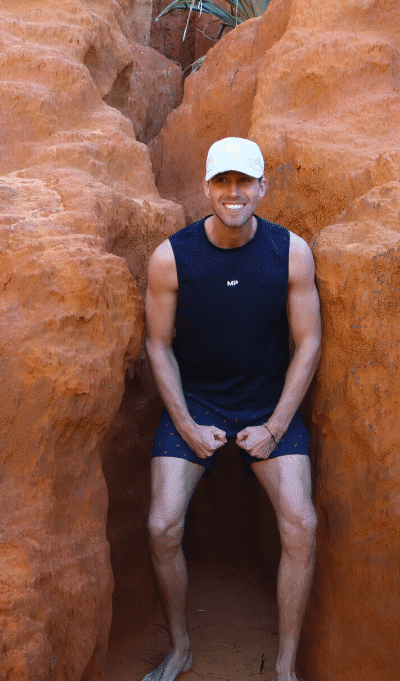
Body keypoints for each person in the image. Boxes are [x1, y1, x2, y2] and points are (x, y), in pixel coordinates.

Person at [142, 137, 322, 681]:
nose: (234, 192)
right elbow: (158, 345)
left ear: (262, 187)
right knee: (161, 525)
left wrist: (274, 426)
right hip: (196, 403)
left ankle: (286, 667)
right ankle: (181, 648)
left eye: (245, 181)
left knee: (302, 524)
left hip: (269, 404)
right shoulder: (172, 257)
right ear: (206, 188)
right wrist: (186, 425)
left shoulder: (290, 252)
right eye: (223, 181)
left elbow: (308, 343)